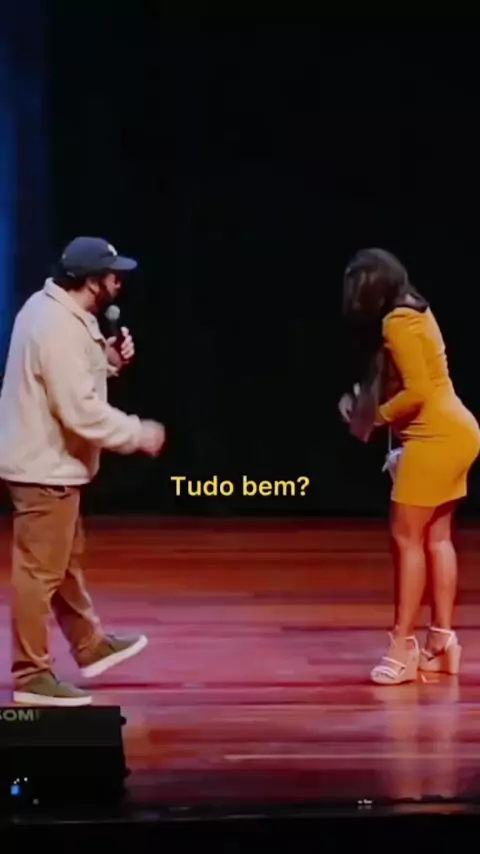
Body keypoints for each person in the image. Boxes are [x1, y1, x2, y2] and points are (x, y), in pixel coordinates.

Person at [0, 236, 166, 707]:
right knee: (39, 574)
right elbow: (80, 411)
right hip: (43, 468)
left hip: (48, 463)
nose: (119, 282)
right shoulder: (56, 325)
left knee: (63, 563)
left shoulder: (54, 310)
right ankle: (32, 675)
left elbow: (66, 379)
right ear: (93, 282)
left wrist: (106, 362)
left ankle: (89, 645)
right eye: (113, 275)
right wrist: (137, 433)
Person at [340, 248, 480, 685]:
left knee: (406, 541)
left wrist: (374, 418)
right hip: (459, 431)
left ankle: (402, 647)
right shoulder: (417, 308)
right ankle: (442, 644)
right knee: (437, 539)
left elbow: (416, 392)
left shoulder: (396, 323)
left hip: (433, 439)